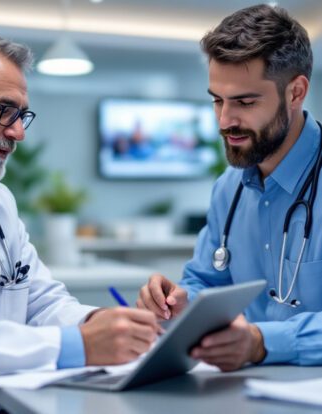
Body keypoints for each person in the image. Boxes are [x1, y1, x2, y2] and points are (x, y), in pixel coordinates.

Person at [0, 30, 158, 413]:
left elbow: (40, 301)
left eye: (22, 115)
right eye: (2, 110)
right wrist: (78, 346)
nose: (17, 131)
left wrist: (102, 322)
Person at [137, 4, 322, 372]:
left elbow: (257, 340)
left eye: (245, 102)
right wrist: (176, 302)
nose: (225, 120)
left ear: (296, 92)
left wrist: (260, 342)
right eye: (217, 100)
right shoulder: (229, 188)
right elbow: (207, 281)